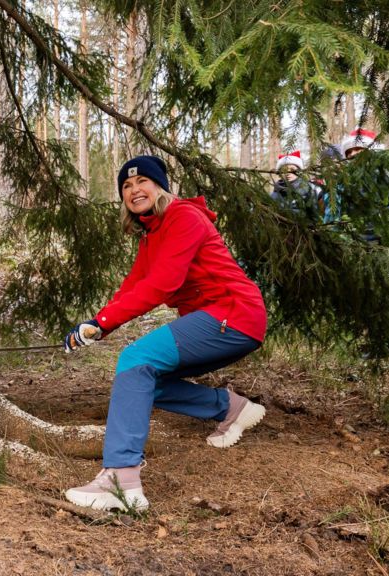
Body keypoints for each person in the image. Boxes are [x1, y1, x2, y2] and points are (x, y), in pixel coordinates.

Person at [61, 155, 267, 513]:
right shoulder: (151, 235)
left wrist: (109, 322)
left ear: (160, 187)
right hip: (217, 320)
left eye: (142, 182)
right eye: (126, 186)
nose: (134, 190)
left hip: (234, 314)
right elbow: (133, 285)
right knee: (142, 380)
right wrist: (95, 323)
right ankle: (230, 408)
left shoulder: (184, 217)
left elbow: (162, 284)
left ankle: (120, 480)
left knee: (136, 359)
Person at [270, 150, 321, 220]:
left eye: (292, 170)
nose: (288, 173)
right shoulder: (274, 194)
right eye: (284, 170)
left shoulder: (307, 189)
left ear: (299, 171)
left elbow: (315, 215)